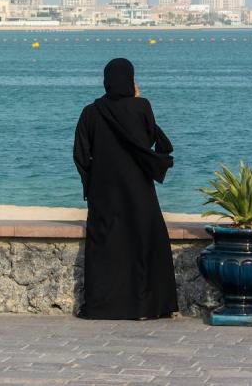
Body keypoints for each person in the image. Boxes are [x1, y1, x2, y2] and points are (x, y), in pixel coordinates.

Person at [73, 57, 177, 320]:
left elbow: (80, 154)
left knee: (106, 246)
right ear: (130, 80)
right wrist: (137, 99)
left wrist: (91, 182)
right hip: (138, 190)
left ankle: (103, 306)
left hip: (104, 191)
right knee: (143, 242)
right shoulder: (141, 107)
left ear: (106, 80)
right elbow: (156, 140)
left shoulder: (91, 112)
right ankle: (146, 307)